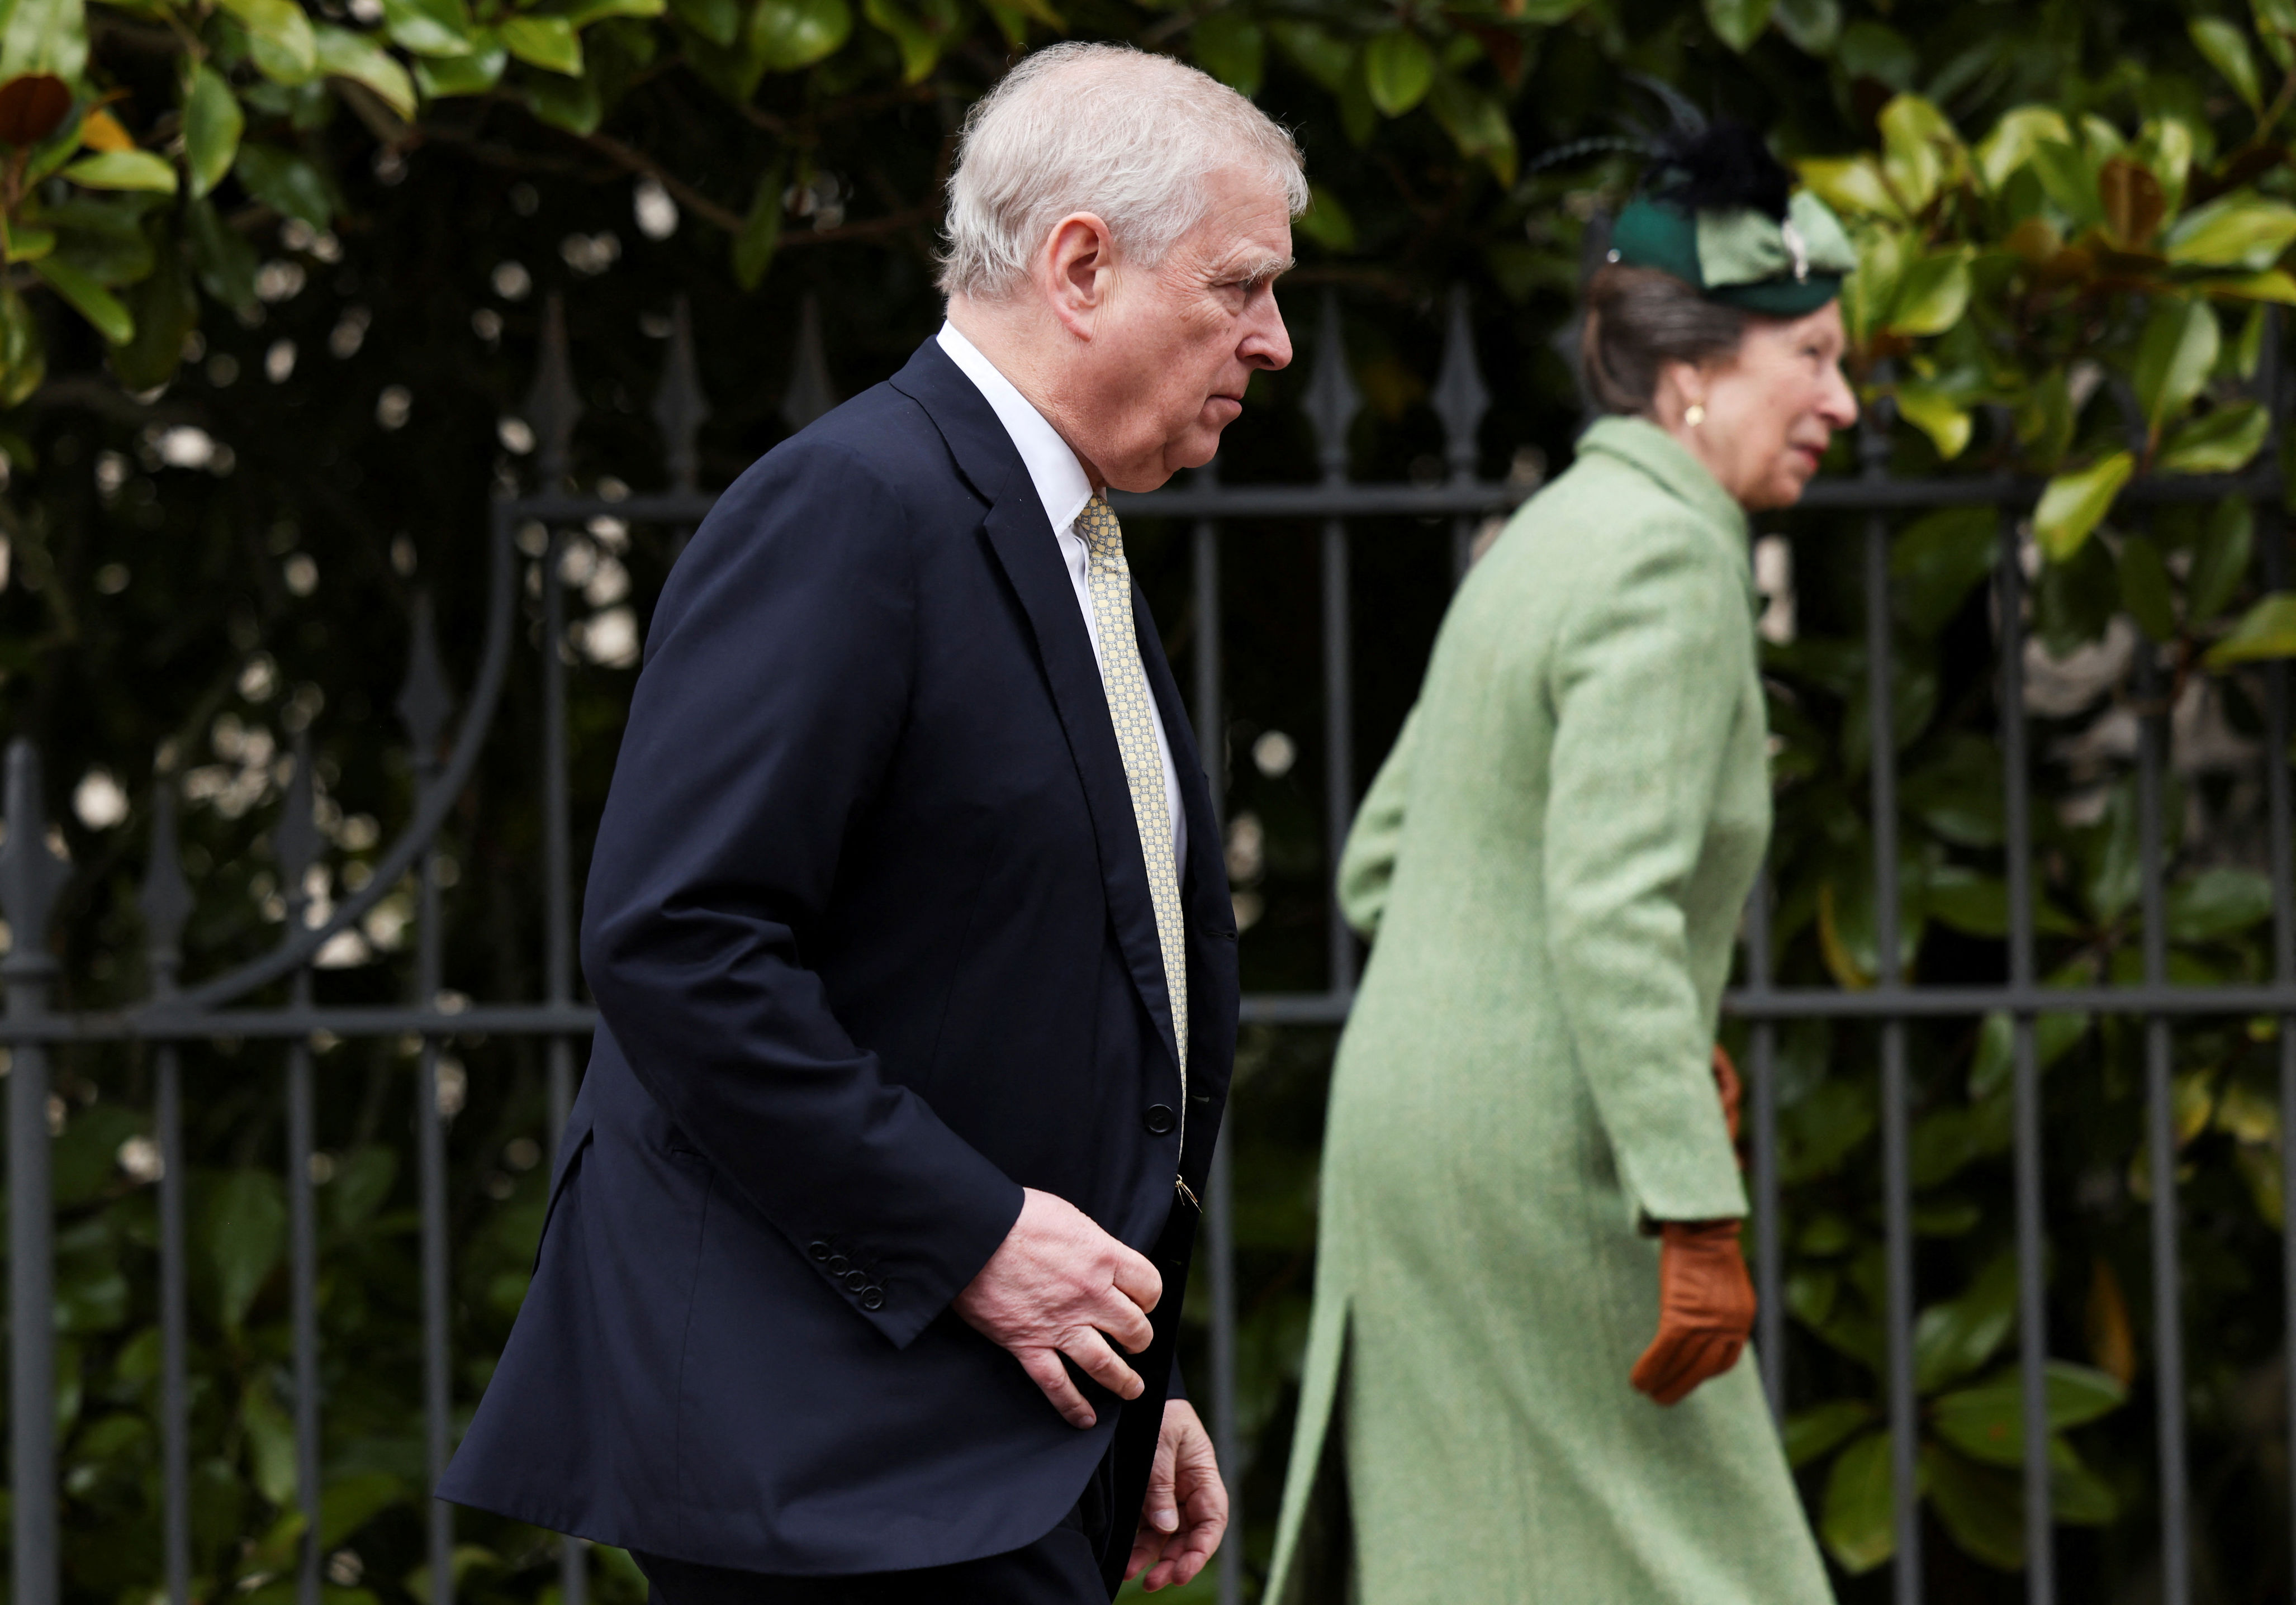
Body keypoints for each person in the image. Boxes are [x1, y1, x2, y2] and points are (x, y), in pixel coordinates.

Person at [439, 42, 1304, 1603]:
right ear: (1081, 267)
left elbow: (1020, 995)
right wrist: (974, 1240)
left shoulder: (1060, 534)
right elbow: (678, 944)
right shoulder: (853, 505)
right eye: (1239, 285)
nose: (1275, 339)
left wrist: (1130, 1372)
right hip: (830, 1449)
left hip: (983, 1428)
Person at [1265, 126, 1859, 1603]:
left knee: (1491, 1553)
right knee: (1712, 1568)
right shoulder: (1669, 558)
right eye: (1814, 357)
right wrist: (1694, 1200)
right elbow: (1610, 910)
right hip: (1551, 1155)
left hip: (1417, 1133)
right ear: (1694, 371)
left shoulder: (1548, 534)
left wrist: (1540, 1027)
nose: (1843, 402)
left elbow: (1381, 863)